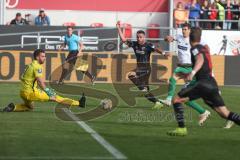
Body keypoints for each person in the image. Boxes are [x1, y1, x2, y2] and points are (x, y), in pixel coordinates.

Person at [167, 27, 240, 136]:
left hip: (203, 84)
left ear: (190, 37)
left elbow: (200, 59)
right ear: (200, 37)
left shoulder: (195, 48)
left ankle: (181, 129)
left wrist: (192, 73)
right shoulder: (204, 47)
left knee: (176, 100)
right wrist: (189, 74)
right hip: (211, 83)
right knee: (224, 113)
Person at [2, 49, 86, 112]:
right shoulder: (37, 66)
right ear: (37, 57)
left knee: (30, 107)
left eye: (45, 56)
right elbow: (39, 81)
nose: (44, 58)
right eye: (42, 56)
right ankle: (79, 103)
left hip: (23, 92)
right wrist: (47, 91)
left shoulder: (30, 65)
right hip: (30, 93)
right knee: (56, 97)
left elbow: (23, 78)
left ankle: (13, 107)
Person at [159, 23, 210, 126]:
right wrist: (167, 38)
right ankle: (169, 100)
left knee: (183, 95)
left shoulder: (194, 40)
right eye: (183, 29)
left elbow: (206, 46)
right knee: (174, 81)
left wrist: (206, 54)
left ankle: (203, 111)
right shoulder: (179, 37)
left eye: (185, 29)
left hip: (191, 68)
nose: (183, 31)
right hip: (182, 67)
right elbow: (169, 38)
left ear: (190, 30)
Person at [116, 21, 166, 109]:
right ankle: (158, 102)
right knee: (145, 93)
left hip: (146, 69)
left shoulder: (148, 45)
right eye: (138, 37)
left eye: (141, 37)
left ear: (144, 37)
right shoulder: (135, 44)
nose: (139, 39)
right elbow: (124, 40)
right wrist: (118, 28)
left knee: (131, 75)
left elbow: (157, 49)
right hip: (140, 68)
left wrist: (164, 53)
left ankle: (144, 89)